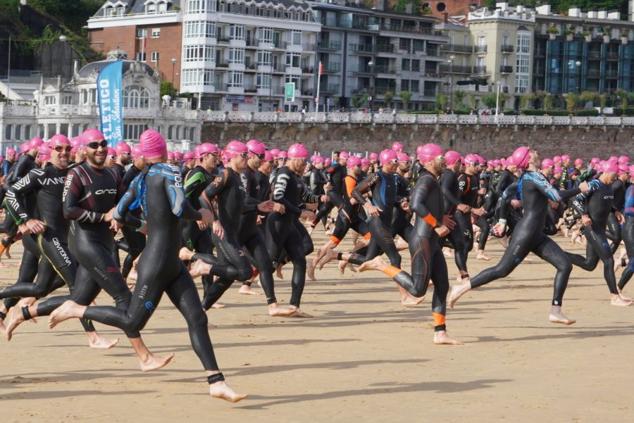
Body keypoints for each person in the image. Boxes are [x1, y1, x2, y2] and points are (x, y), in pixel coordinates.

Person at [48, 129, 246, 402]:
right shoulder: (169, 170)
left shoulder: (141, 178)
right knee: (132, 319)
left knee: (198, 318)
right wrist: (201, 213)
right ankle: (77, 308)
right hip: (156, 262)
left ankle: (216, 381)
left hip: (171, 261)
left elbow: (119, 212)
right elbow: (179, 207)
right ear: (163, 150)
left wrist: (138, 221)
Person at [449, 146, 588, 325]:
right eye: (532, 152)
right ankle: (461, 288)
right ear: (528, 160)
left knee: (564, 265)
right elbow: (555, 195)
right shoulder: (533, 176)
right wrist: (580, 188)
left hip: (535, 232)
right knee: (501, 270)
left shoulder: (528, 177)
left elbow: (508, 194)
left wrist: (506, 214)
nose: (536, 152)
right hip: (526, 232)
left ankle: (555, 310)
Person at [2, 134, 116, 348]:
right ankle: (92, 336)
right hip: (50, 238)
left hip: (70, 239)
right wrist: (26, 219)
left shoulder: (76, 172)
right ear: (50, 151)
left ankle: (18, 310)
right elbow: (11, 194)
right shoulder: (40, 174)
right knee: (77, 286)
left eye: (66, 148)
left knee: (39, 288)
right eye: (58, 149)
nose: (63, 152)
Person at [359, 144, 461, 345]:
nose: (444, 162)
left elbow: (427, 205)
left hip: (431, 240)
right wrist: (437, 223)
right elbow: (416, 204)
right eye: (441, 159)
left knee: (442, 285)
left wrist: (441, 218)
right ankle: (380, 265)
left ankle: (440, 332)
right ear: (430, 161)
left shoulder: (432, 179)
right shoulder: (426, 180)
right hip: (422, 239)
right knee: (417, 290)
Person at [565, 161, 631, 306]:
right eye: (614, 174)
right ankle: (614, 296)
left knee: (589, 264)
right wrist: (584, 215)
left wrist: (616, 211)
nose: (616, 177)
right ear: (607, 172)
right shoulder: (594, 184)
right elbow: (576, 200)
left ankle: (562, 255)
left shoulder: (609, 186)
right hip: (592, 228)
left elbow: (607, 202)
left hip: (600, 227)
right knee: (609, 260)